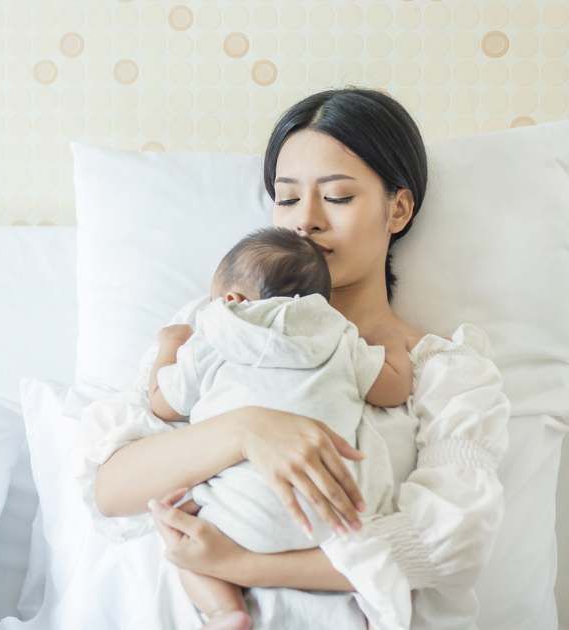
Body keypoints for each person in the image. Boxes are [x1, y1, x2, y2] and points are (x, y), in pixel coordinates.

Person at [82, 88, 510, 629]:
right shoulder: (214, 325)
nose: (305, 220)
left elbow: (451, 542)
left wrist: (241, 565)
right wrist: (247, 430)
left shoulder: (442, 371)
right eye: (287, 198)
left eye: (337, 197)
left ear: (397, 209)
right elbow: (111, 490)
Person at [142, 226, 410, 629]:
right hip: (327, 520)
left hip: (235, 521)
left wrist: (170, 345)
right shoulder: (338, 334)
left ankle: (224, 611)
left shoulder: (213, 333)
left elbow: (161, 405)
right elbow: (392, 390)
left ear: (230, 299)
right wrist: (392, 348)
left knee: (173, 527)